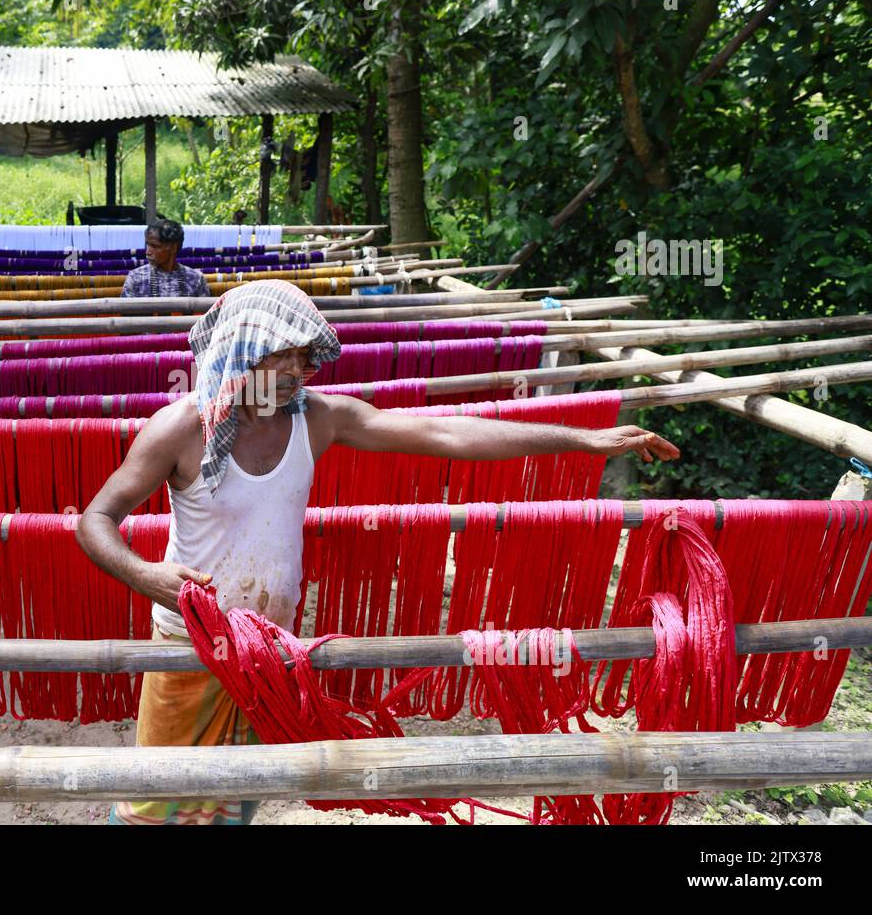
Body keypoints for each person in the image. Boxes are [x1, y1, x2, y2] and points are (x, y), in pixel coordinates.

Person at [77, 280, 680, 826]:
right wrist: (145, 574)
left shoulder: (318, 419)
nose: (296, 371)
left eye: (303, 356)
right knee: (156, 799)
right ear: (240, 353)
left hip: (269, 646)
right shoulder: (181, 428)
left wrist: (584, 439)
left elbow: (445, 432)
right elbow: (95, 520)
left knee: (239, 793)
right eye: (279, 355)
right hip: (190, 643)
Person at [120, 219, 210, 297]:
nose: (148, 252)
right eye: (148, 245)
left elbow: (205, 315)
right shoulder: (135, 278)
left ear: (173, 248)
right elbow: (126, 315)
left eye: (155, 246)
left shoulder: (196, 278)